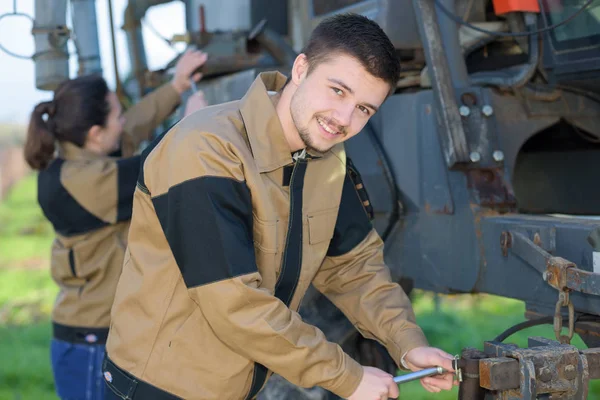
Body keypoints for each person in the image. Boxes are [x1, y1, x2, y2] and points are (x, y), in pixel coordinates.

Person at [103, 14, 456, 400]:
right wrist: (346, 376)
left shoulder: (325, 158)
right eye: (338, 91)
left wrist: (407, 343)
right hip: (156, 390)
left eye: (364, 109)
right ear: (301, 68)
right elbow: (234, 303)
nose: (344, 120)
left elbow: (354, 269)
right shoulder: (204, 149)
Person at [23, 49, 208, 400]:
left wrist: (176, 86)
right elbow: (153, 166)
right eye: (116, 116)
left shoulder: (76, 157)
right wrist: (190, 126)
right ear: (94, 133)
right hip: (90, 341)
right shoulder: (86, 182)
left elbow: (132, 126)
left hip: (92, 335)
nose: (124, 121)